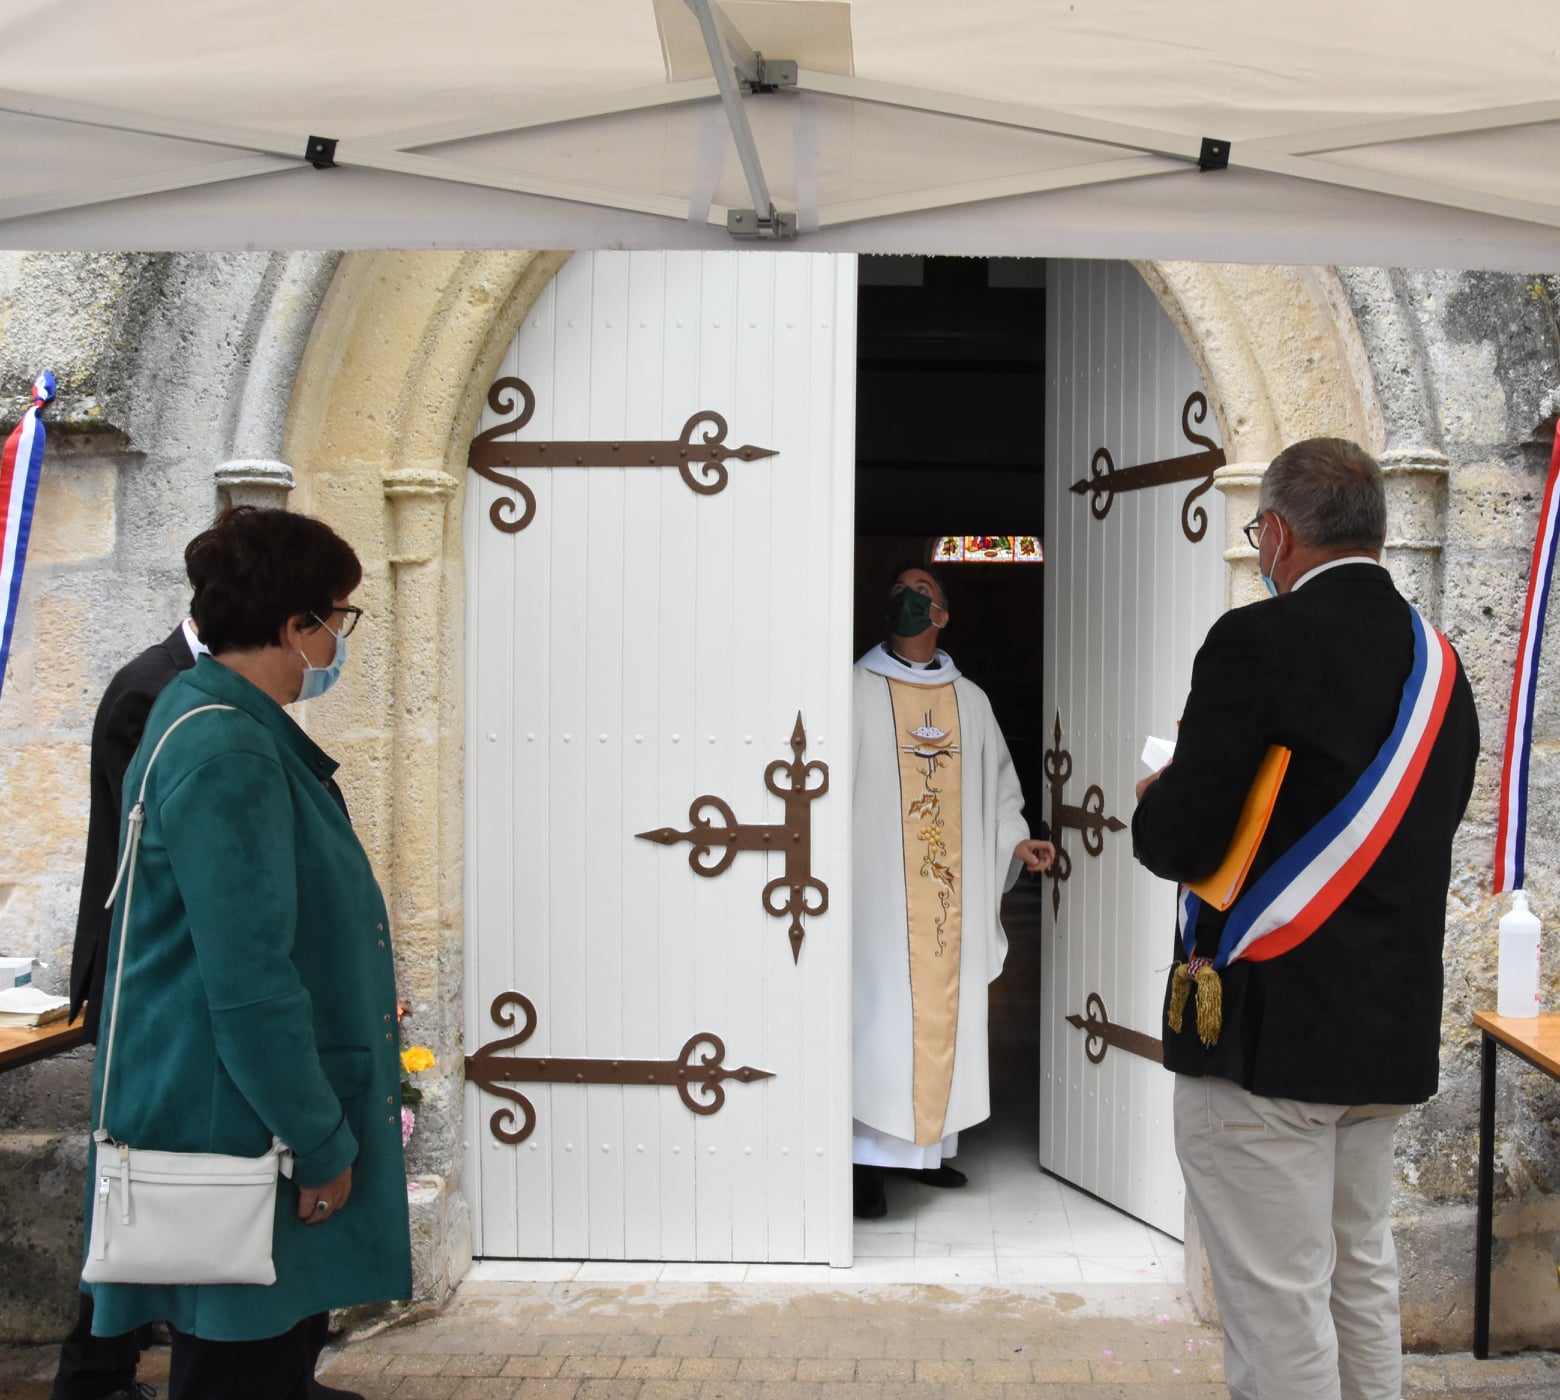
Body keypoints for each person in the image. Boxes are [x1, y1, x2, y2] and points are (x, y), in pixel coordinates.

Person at [1132, 439, 1479, 1400]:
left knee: (1279, 1313)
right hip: (1384, 1039)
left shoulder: (1257, 640)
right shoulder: (1445, 671)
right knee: (1359, 1283)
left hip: (1266, 1038)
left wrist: (1154, 797)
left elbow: (1183, 839)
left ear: (1278, 534)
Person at [82, 506, 411, 1400]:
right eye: (336, 619)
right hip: (246, 1128)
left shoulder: (227, 722)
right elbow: (249, 981)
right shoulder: (227, 745)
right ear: (292, 625)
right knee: (240, 1368)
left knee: (270, 1361)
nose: (340, 641)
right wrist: (318, 1140)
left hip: (251, 1114)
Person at [851, 564, 1055, 1219]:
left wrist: (1017, 842)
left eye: (919, 593)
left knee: (946, 1018)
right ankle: (863, 1164)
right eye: (896, 591)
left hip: (947, 897)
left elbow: (1000, 788)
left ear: (941, 616)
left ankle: (927, 1154)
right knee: (875, 1019)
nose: (904, 600)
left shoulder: (970, 700)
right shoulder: (853, 691)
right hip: (878, 896)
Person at [52, 621, 202, 1400]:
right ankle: (93, 1377)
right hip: (142, 974)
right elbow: (160, 842)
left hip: (162, 974)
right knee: (129, 1182)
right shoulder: (152, 688)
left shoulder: (188, 681)